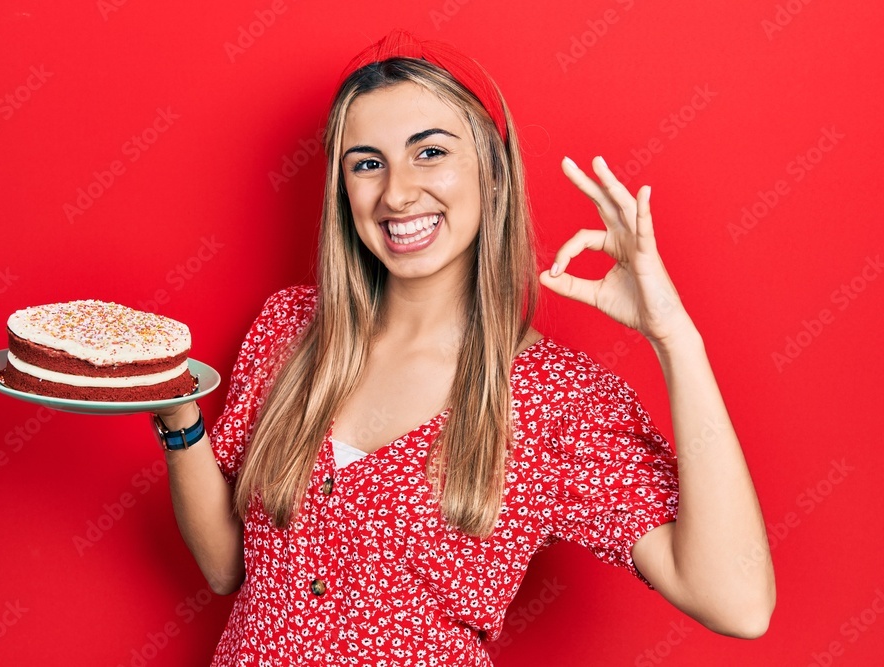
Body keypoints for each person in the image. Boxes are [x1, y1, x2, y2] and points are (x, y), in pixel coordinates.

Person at [149, 29, 775, 666]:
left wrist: (674, 337)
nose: (396, 193)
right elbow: (228, 567)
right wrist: (178, 415)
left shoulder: (557, 400)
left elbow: (737, 601)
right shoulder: (290, 329)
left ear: (492, 170)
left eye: (429, 153)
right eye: (367, 163)